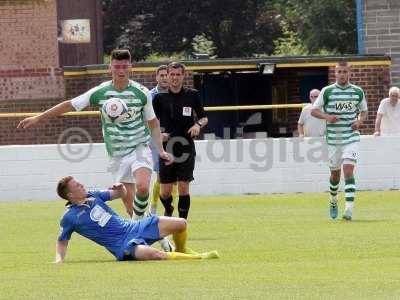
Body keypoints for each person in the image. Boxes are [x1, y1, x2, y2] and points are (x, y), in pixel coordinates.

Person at [17, 49, 172, 221]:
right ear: (110, 68)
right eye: (116, 67)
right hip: (117, 154)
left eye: (124, 67)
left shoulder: (142, 92)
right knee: (131, 208)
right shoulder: (100, 92)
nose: (120, 71)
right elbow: (70, 104)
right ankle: (154, 234)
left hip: (139, 147)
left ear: (130, 68)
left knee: (143, 188)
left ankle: (137, 226)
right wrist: (39, 117)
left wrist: (161, 149)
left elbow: (153, 123)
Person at [55, 176, 219, 263]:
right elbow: (62, 240)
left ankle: (182, 249)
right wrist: (59, 259)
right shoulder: (69, 217)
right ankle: (200, 258)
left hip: (134, 227)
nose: (82, 185)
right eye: (77, 185)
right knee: (157, 255)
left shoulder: (93, 195)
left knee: (181, 224)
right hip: (123, 245)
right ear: (70, 195)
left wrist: (121, 188)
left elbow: (121, 194)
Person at [311, 60, 368, 221]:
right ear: (335, 73)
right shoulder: (327, 91)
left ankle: (349, 210)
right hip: (334, 140)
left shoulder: (357, 91)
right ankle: (333, 199)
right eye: (339, 72)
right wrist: (327, 116)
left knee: (348, 170)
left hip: (351, 137)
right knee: (335, 175)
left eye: (345, 71)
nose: (342, 74)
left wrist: (359, 122)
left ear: (349, 72)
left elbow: (364, 112)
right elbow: (314, 111)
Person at [153, 62, 208, 220]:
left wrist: (197, 125)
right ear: (167, 76)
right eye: (172, 74)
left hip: (186, 147)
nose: (175, 77)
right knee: (165, 192)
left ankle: (182, 223)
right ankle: (168, 208)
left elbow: (204, 118)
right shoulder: (159, 98)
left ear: (183, 76)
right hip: (166, 148)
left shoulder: (192, 95)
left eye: (178, 74)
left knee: (184, 187)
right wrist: (159, 135)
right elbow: (151, 123)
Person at [148, 65, 178, 215]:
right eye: (161, 75)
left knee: (175, 178)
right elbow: (146, 120)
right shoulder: (150, 96)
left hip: (175, 140)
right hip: (156, 140)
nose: (165, 77)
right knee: (161, 175)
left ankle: (170, 208)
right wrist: (158, 134)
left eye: (167, 75)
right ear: (156, 77)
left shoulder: (175, 93)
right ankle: (153, 206)